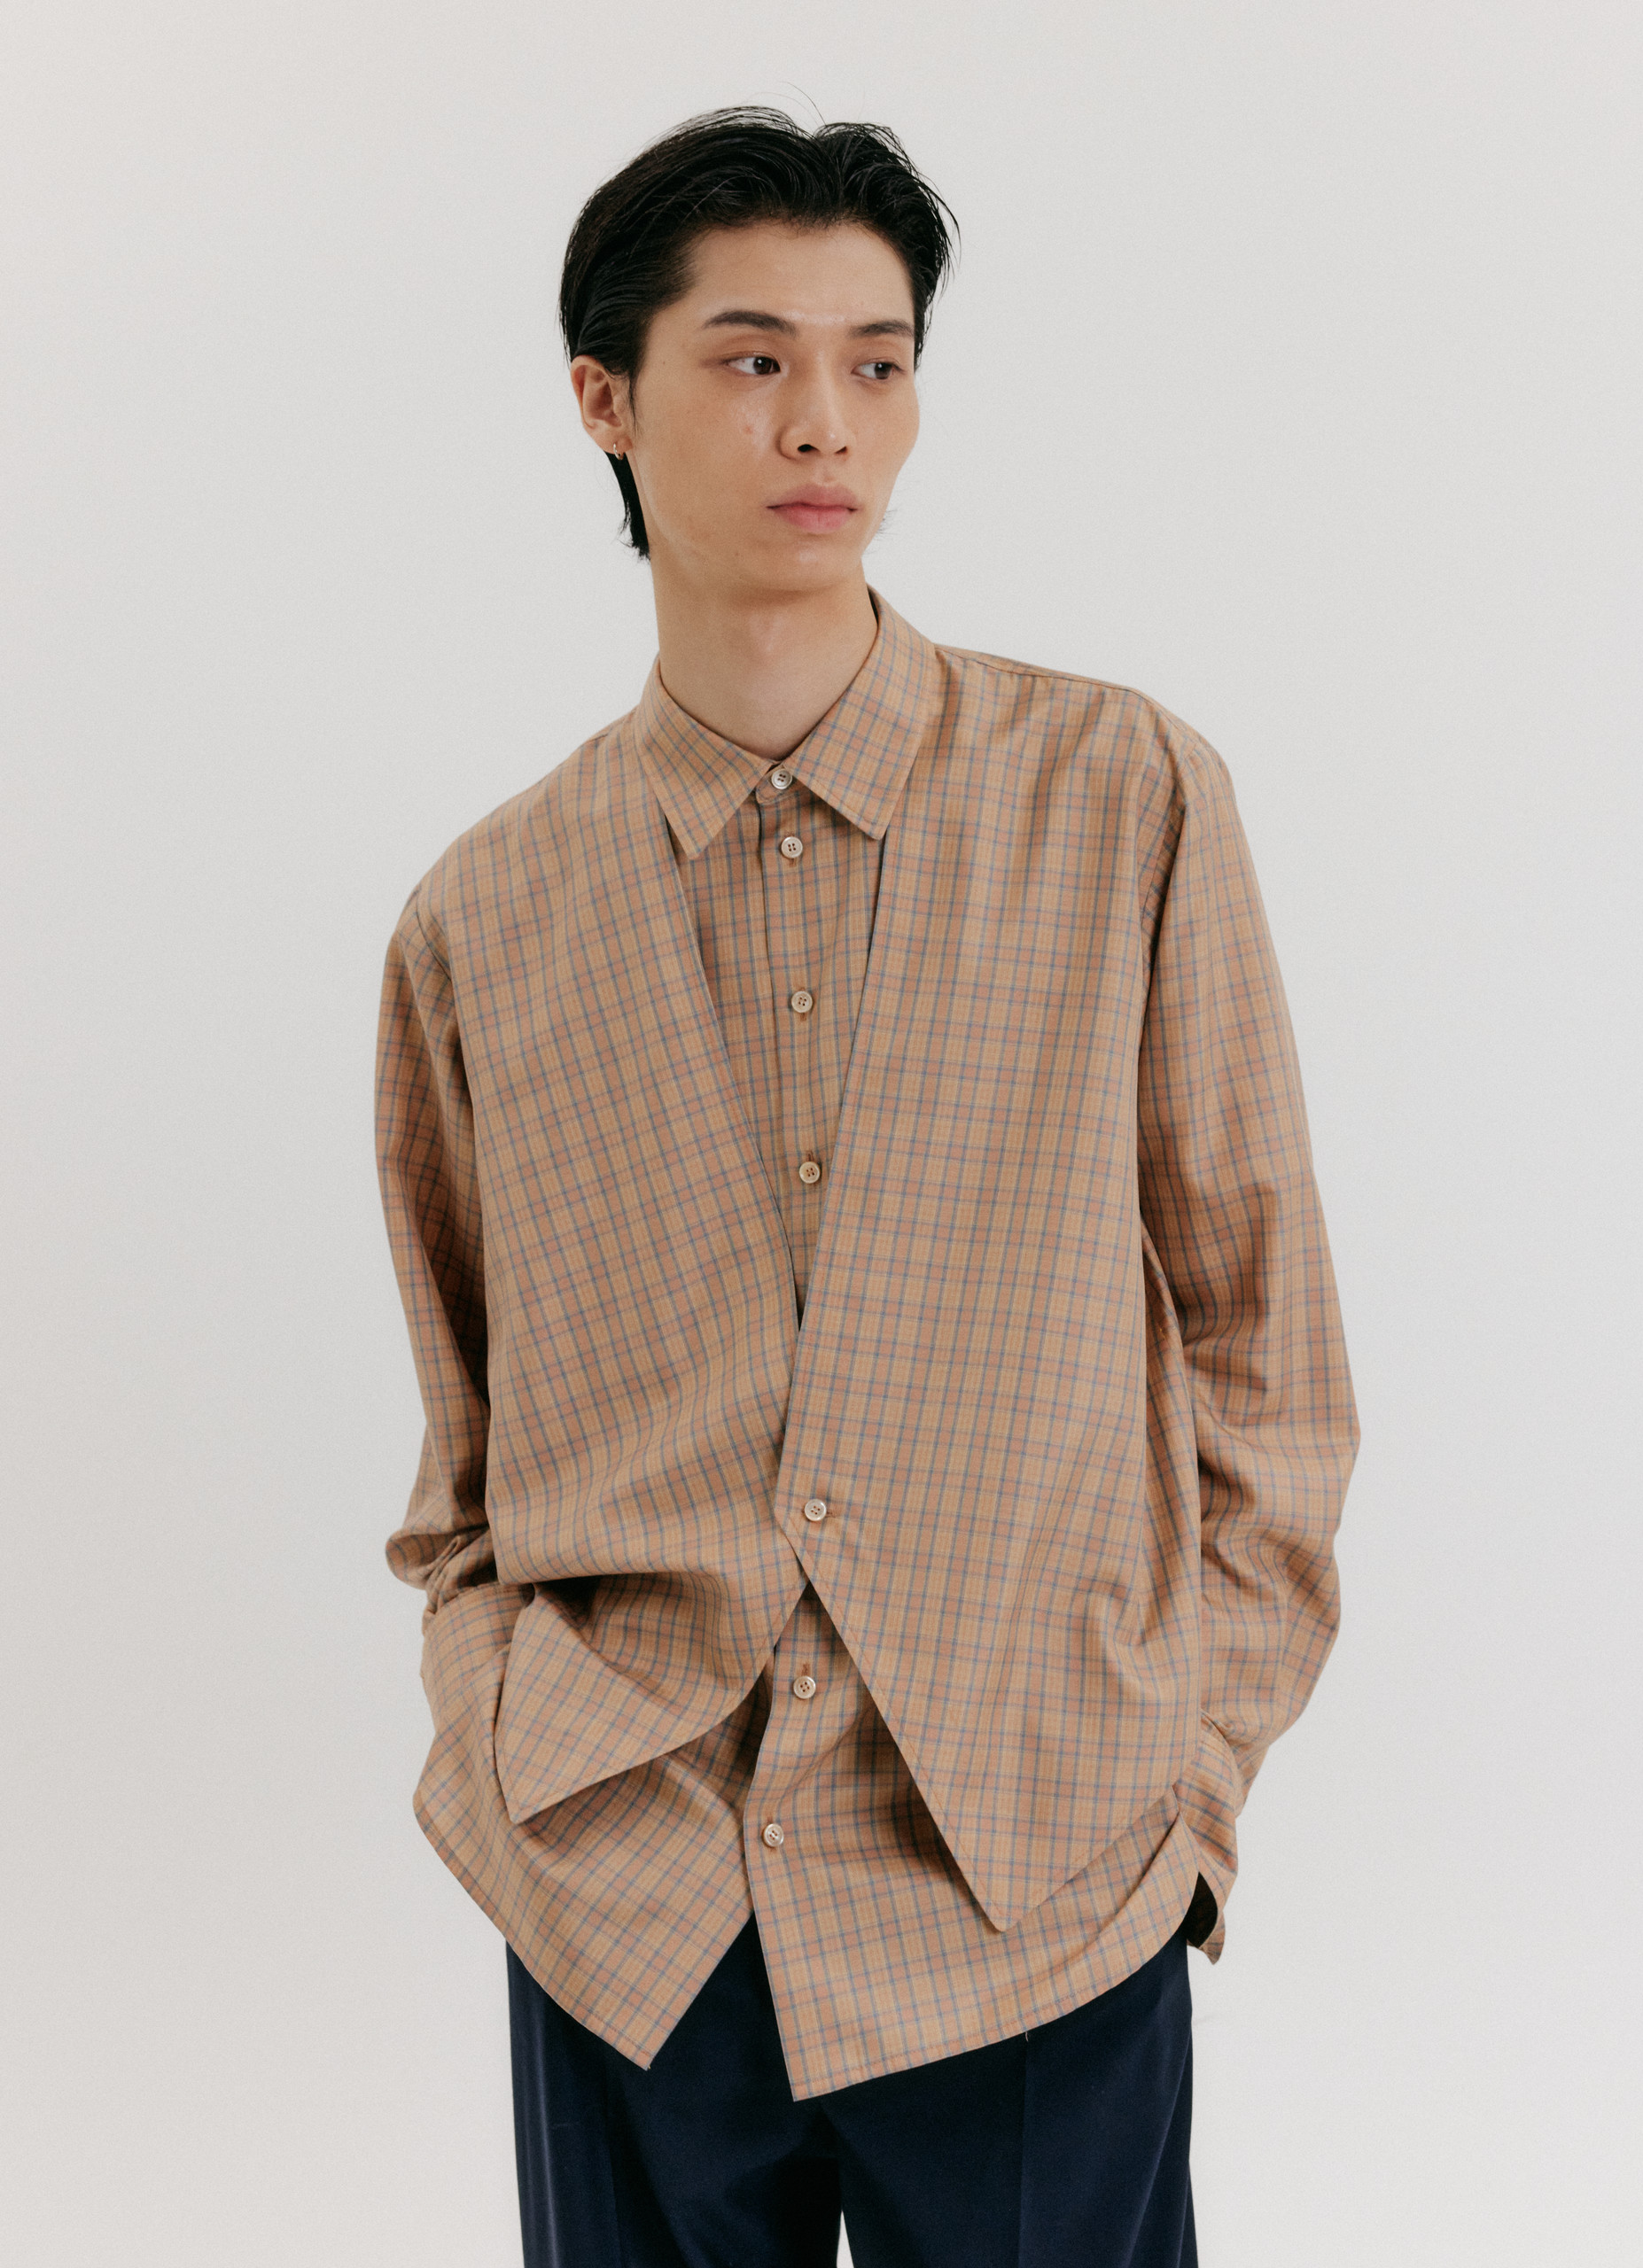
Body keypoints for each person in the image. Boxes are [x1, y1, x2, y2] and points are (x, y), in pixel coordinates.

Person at [374, 104, 1359, 2268]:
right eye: (752, 358)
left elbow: (1264, 1350)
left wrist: (1184, 1787)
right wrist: (511, 1755)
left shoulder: (1122, 798)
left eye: (877, 360)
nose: (825, 418)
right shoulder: (481, 918)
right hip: (630, 1886)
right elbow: (463, 1468)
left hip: (1034, 1871)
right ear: (605, 401)